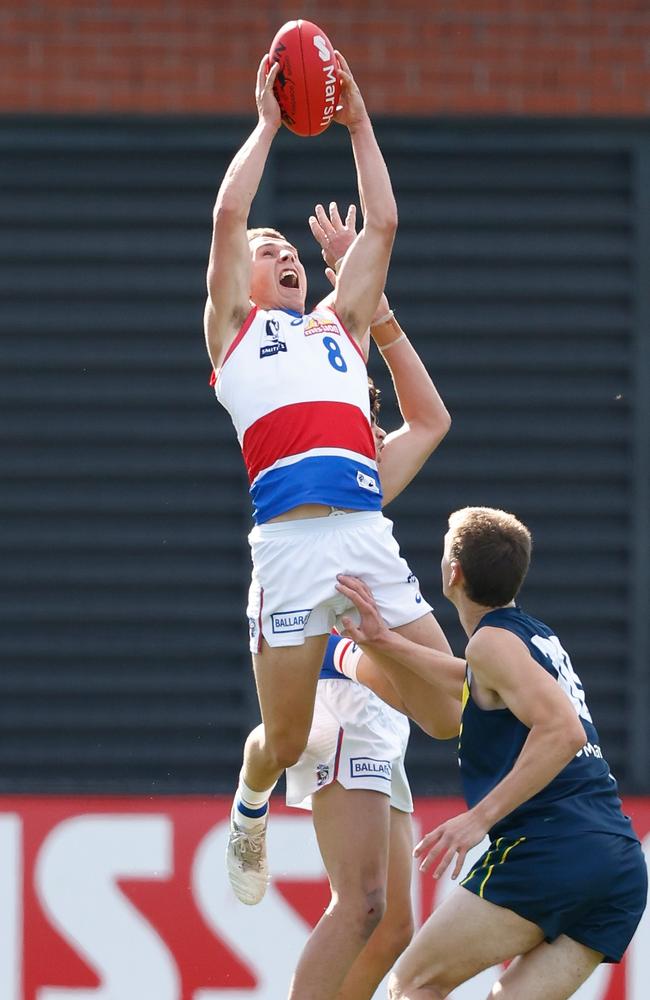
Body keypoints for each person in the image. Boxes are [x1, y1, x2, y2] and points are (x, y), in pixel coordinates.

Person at [205, 49, 459, 987]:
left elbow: (385, 220)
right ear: (246, 278)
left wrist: (357, 121)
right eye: (269, 255)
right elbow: (229, 215)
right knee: (281, 734)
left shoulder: (339, 333)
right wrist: (270, 123)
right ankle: (251, 796)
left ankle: (367, 649)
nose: (282, 259)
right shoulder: (233, 330)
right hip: (286, 547)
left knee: (448, 705)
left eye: (289, 255)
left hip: (358, 535)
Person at [335, 507, 648, 1000]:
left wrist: (478, 819)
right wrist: (384, 642)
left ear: (453, 572)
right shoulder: (533, 635)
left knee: (411, 983)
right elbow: (476, 681)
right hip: (617, 863)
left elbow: (562, 731)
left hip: (550, 850)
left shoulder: (492, 644)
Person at [284, 198, 456, 1000]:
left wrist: (378, 311)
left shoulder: (365, 473)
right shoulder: (293, 427)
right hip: (341, 680)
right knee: (362, 907)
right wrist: (345, 298)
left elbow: (432, 418)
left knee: (391, 924)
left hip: (374, 684)